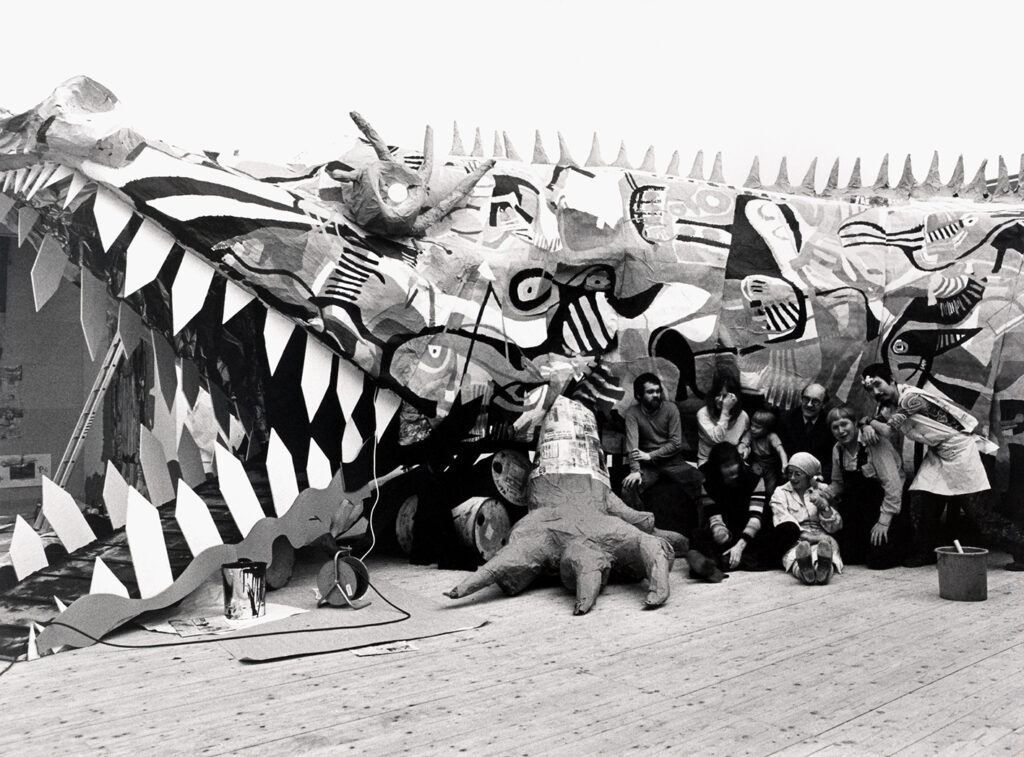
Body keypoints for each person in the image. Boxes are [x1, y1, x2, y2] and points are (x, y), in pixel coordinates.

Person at [860, 363, 1024, 569]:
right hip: (938, 454)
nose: (876, 392)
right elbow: (878, 422)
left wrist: (866, 422)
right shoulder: (886, 408)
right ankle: (925, 551)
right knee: (921, 500)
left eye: (878, 384)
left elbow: (888, 431)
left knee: (980, 513)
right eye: (870, 389)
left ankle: (1021, 550)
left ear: (892, 380)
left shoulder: (911, 399)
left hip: (961, 450)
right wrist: (866, 423)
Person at [826, 404, 907, 569]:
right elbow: (839, 483)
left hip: (885, 509)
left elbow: (893, 485)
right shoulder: (838, 449)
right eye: (835, 427)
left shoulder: (874, 443)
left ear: (855, 423)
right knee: (849, 557)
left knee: (878, 561)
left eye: (844, 424)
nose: (841, 431)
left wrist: (884, 522)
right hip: (858, 512)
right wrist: (824, 493)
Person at [622, 372, 702, 533]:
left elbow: (675, 443)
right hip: (648, 466)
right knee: (628, 487)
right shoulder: (633, 413)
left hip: (673, 461)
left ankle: (701, 531)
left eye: (658, 391)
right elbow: (632, 445)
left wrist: (650, 455)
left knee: (701, 480)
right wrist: (635, 471)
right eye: (650, 392)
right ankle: (642, 531)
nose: (656, 395)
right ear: (639, 395)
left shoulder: (671, 408)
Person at [694, 442, 773, 571]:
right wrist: (720, 533)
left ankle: (723, 563)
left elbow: (756, 518)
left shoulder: (754, 479)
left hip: (751, 533)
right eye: (726, 466)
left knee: (786, 531)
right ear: (717, 468)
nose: (732, 469)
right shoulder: (708, 484)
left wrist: (740, 546)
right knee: (698, 536)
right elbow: (715, 518)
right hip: (728, 530)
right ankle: (724, 562)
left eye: (734, 464)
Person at [771, 452, 843, 585]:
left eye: (797, 474)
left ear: (809, 476)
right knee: (796, 556)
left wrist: (824, 508)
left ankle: (823, 570)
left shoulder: (824, 490)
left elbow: (835, 526)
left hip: (823, 539)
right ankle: (804, 571)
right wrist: (807, 536)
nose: (792, 478)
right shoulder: (780, 492)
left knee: (826, 555)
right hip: (796, 540)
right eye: (790, 473)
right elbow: (783, 521)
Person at [779, 382, 835, 480]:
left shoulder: (829, 424)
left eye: (815, 401)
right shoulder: (786, 419)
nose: (809, 404)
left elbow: (832, 458)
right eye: (806, 399)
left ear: (824, 404)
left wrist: (821, 477)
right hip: (788, 477)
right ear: (801, 398)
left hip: (817, 479)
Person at [696, 373, 750, 466]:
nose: (720, 400)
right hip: (709, 462)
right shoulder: (703, 414)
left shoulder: (742, 415)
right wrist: (725, 411)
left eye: (725, 396)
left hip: (732, 461)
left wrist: (744, 444)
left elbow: (748, 432)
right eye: (718, 395)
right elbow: (717, 440)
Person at [740, 406, 788, 501]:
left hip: (770, 468)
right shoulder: (750, 434)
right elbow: (742, 444)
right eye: (752, 425)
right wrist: (742, 450)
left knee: (770, 491)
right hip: (756, 464)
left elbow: (780, 450)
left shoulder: (771, 436)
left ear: (767, 429)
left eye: (757, 427)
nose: (753, 429)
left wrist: (784, 463)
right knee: (754, 485)